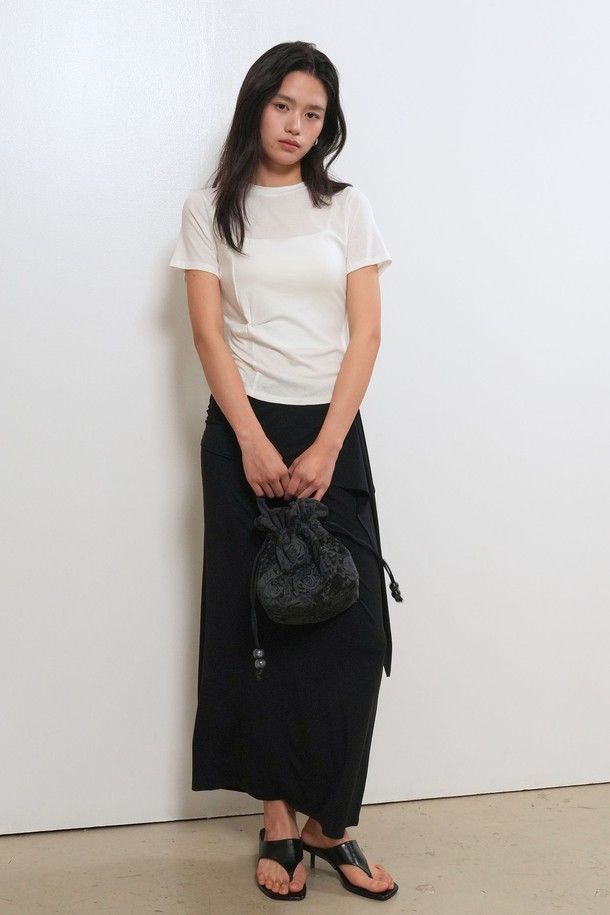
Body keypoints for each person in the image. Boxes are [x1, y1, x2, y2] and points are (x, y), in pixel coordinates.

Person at [170, 40, 398, 902]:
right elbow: (207, 333)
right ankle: (276, 819)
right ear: (255, 105)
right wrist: (251, 439)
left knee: (358, 635)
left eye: (314, 113)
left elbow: (366, 333)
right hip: (244, 432)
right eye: (284, 106)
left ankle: (327, 825)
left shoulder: (346, 207)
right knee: (258, 633)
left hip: (331, 431)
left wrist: (329, 443)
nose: (297, 125)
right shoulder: (209, 209)